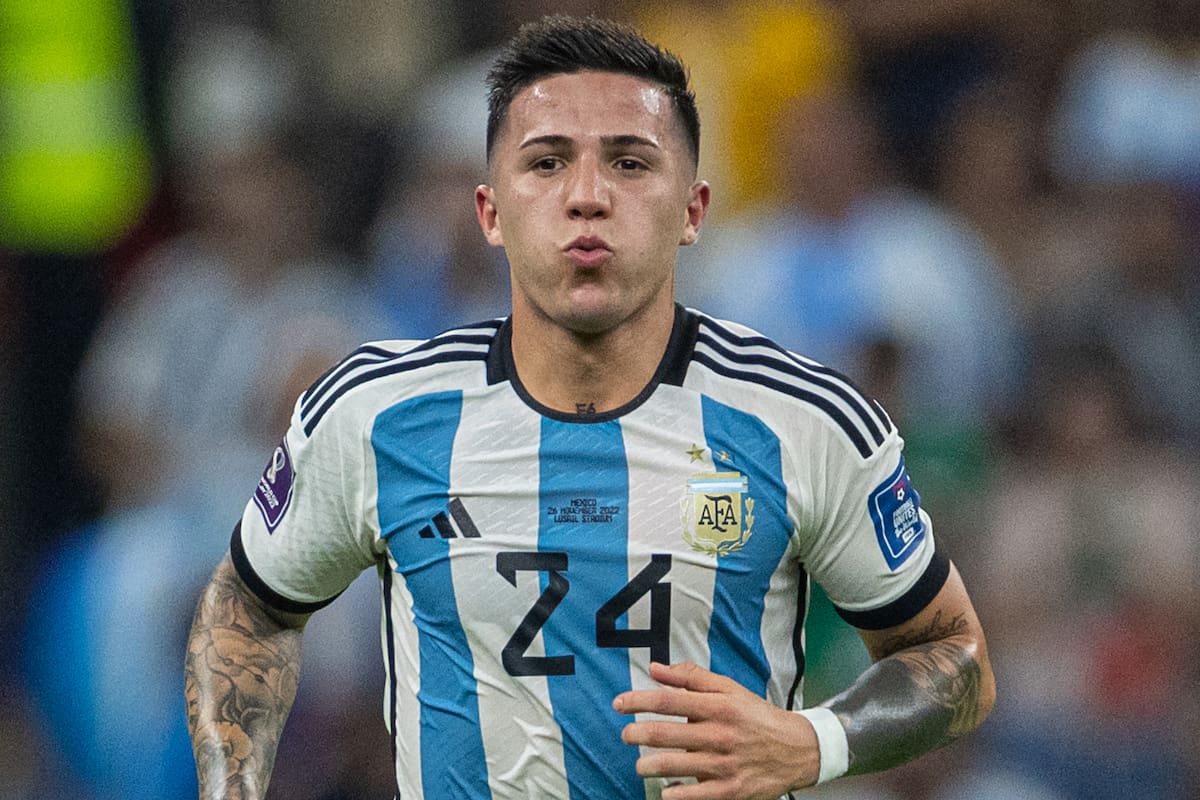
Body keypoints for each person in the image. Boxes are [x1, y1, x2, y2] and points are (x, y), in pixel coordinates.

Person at [185, 15, 995, 799]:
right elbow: (248, 607)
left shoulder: (803, 422)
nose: (586, 196)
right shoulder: (374, 414)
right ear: (490, 212)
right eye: (545, 163)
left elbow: (953, 653)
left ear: (693, 211)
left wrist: (812, 742)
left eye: (630, 164)